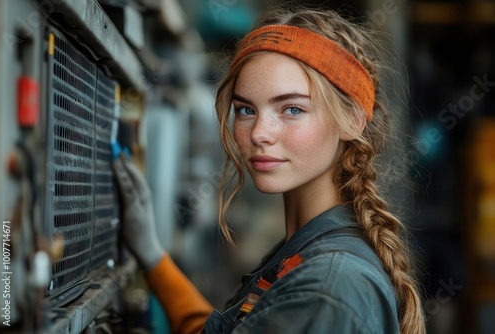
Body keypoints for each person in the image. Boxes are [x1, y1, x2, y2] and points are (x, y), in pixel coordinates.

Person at [113, 7, 426, 334]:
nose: (259, 132)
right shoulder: (302, 251)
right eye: (246, 109)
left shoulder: (327, 290)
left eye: (292, 109)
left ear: (352, 120)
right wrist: (153, 256)